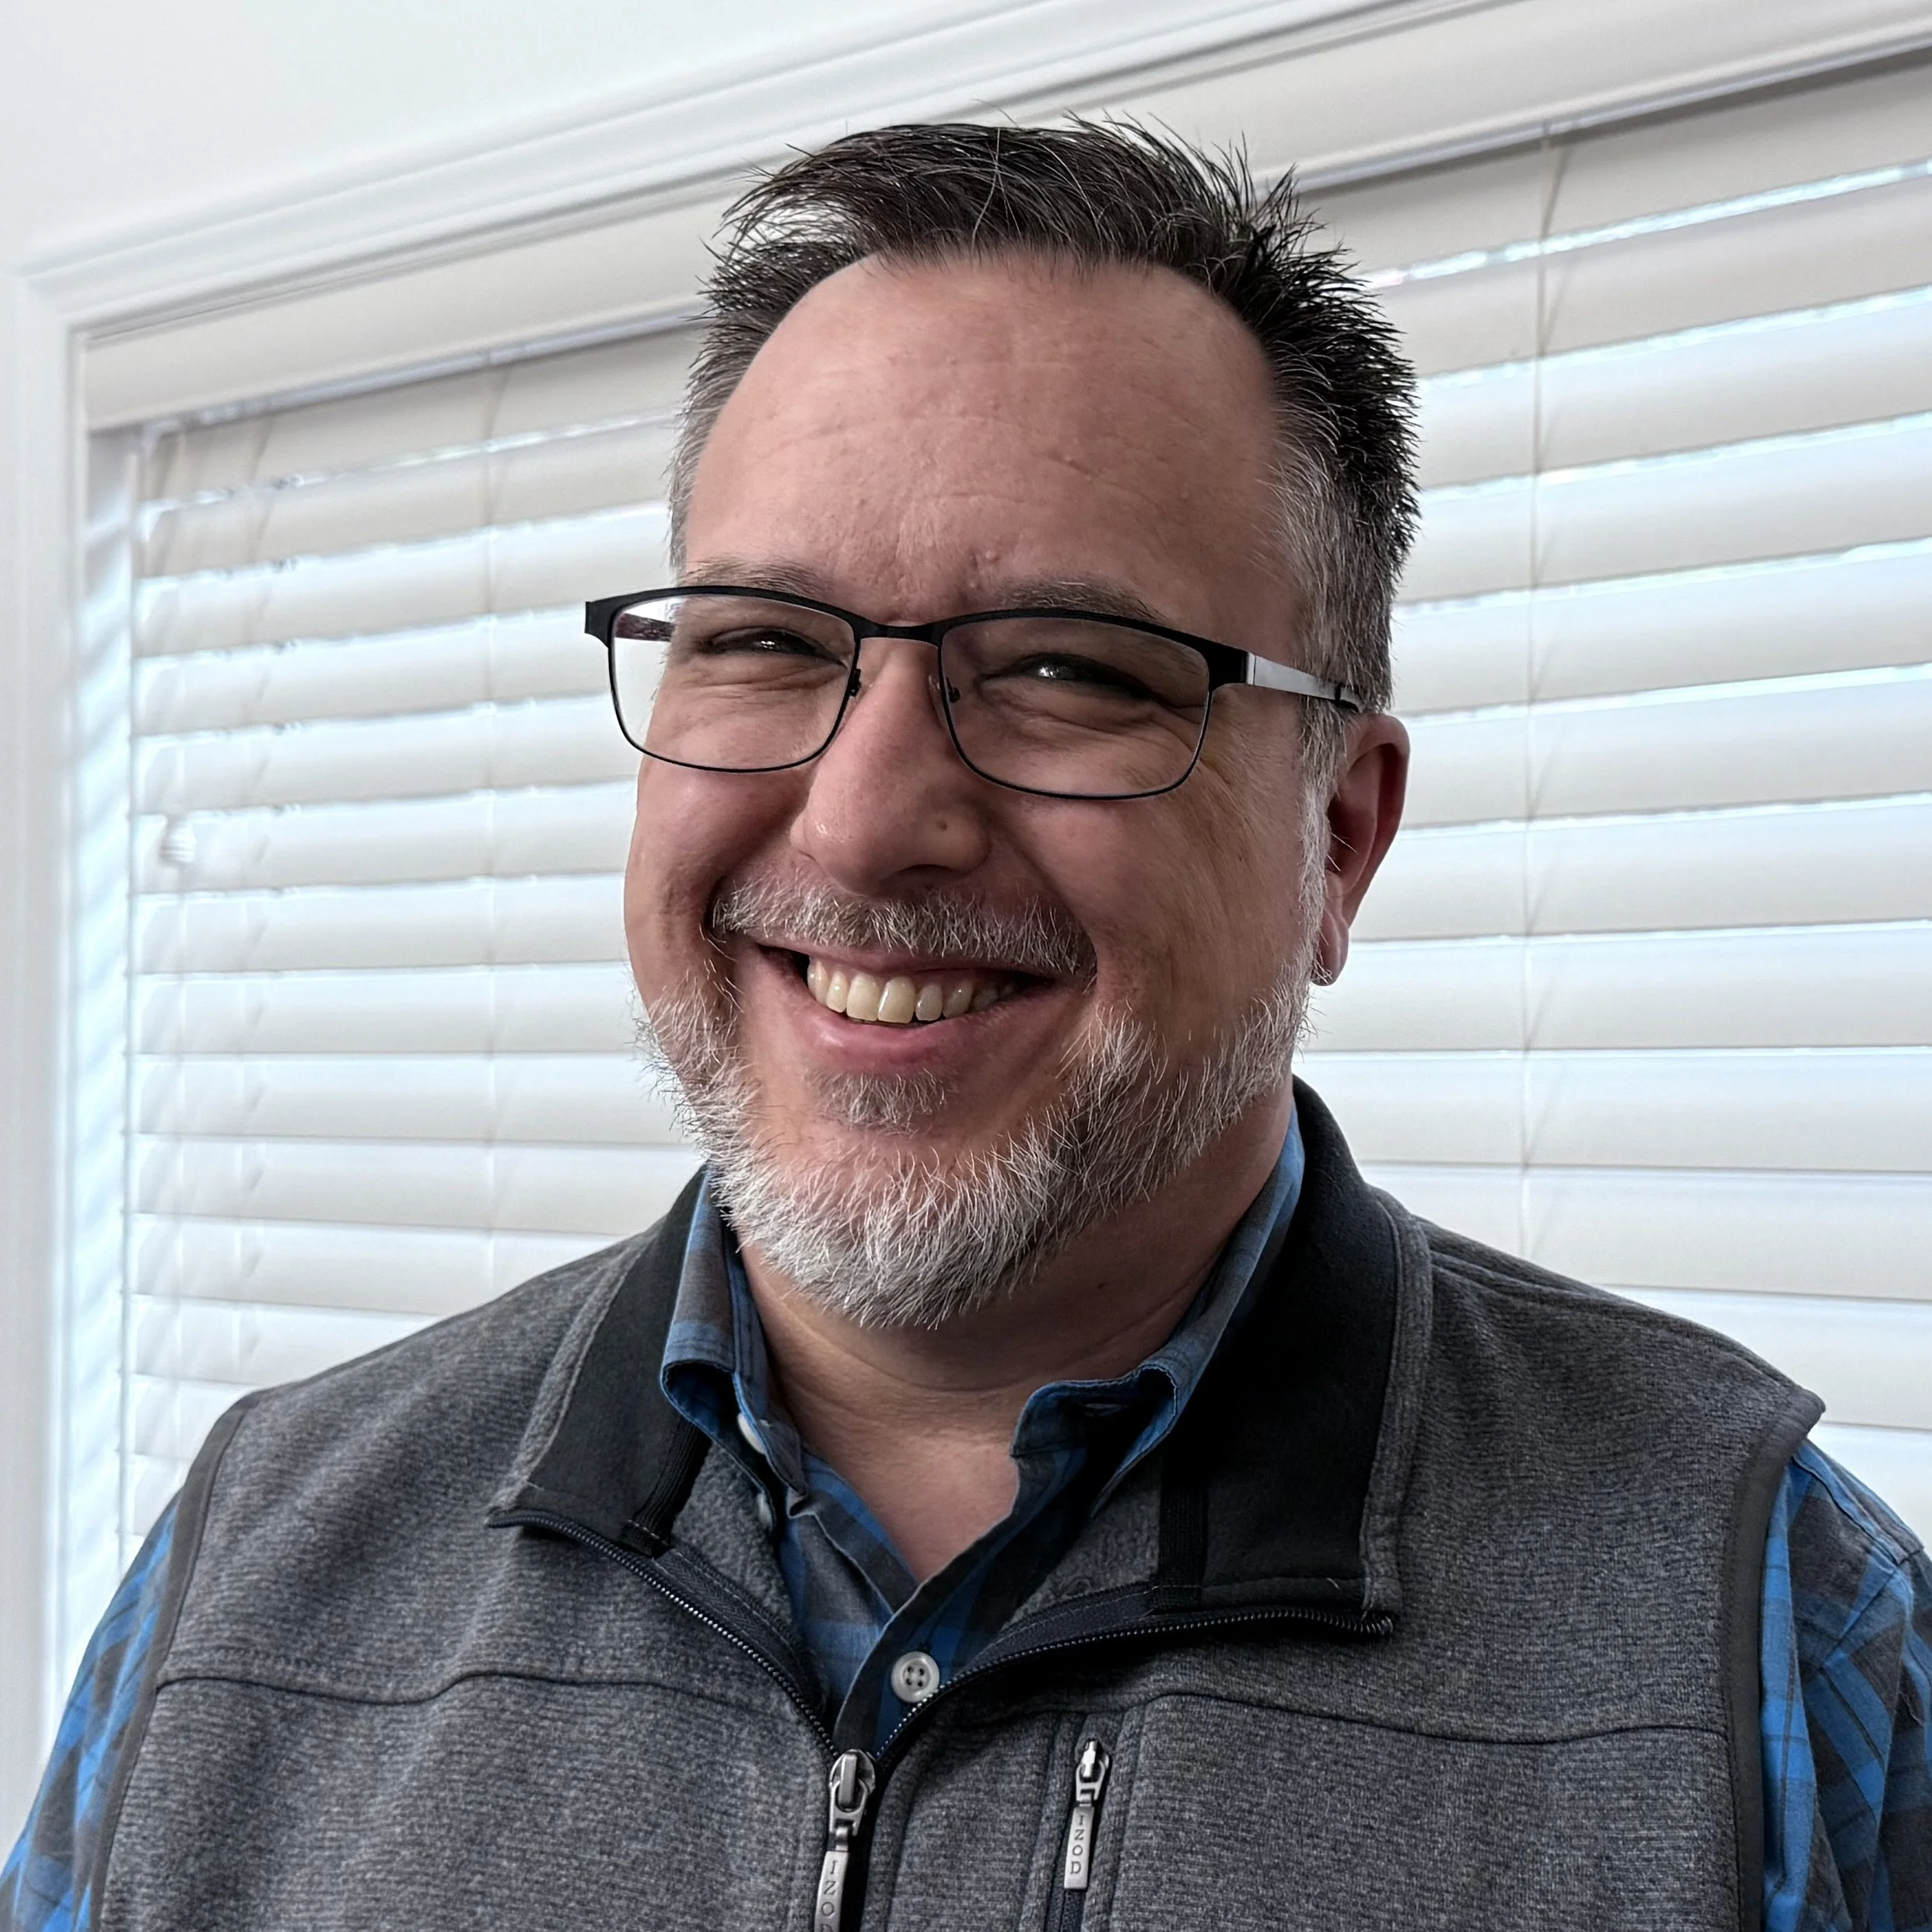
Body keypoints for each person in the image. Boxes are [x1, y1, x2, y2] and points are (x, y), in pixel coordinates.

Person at [6, 121, 1928, 1932]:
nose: (862, 824)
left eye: (1069, 671)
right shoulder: (249, 1576)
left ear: (1336, 839)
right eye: (764, 642)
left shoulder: (1765, 1631)